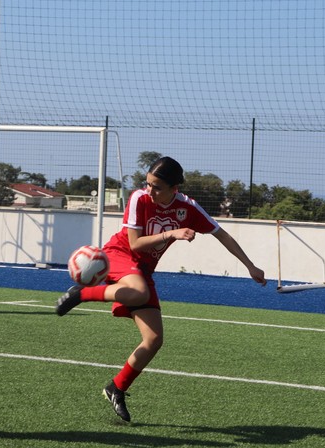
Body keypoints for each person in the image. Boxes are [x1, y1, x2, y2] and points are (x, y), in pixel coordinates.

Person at [55, 156, 267, 422]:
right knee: (140, 291)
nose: (150, 191)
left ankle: (116, 387)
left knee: (154, 340)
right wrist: (171, 234)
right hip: (119, 256)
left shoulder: (187, 207)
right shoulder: (138, 199)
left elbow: (221, 234)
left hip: (142, 271)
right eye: (148, 184)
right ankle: (82, 293)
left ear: (174, 188)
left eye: (157, 187)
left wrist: (250, 266)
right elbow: (134, 244)